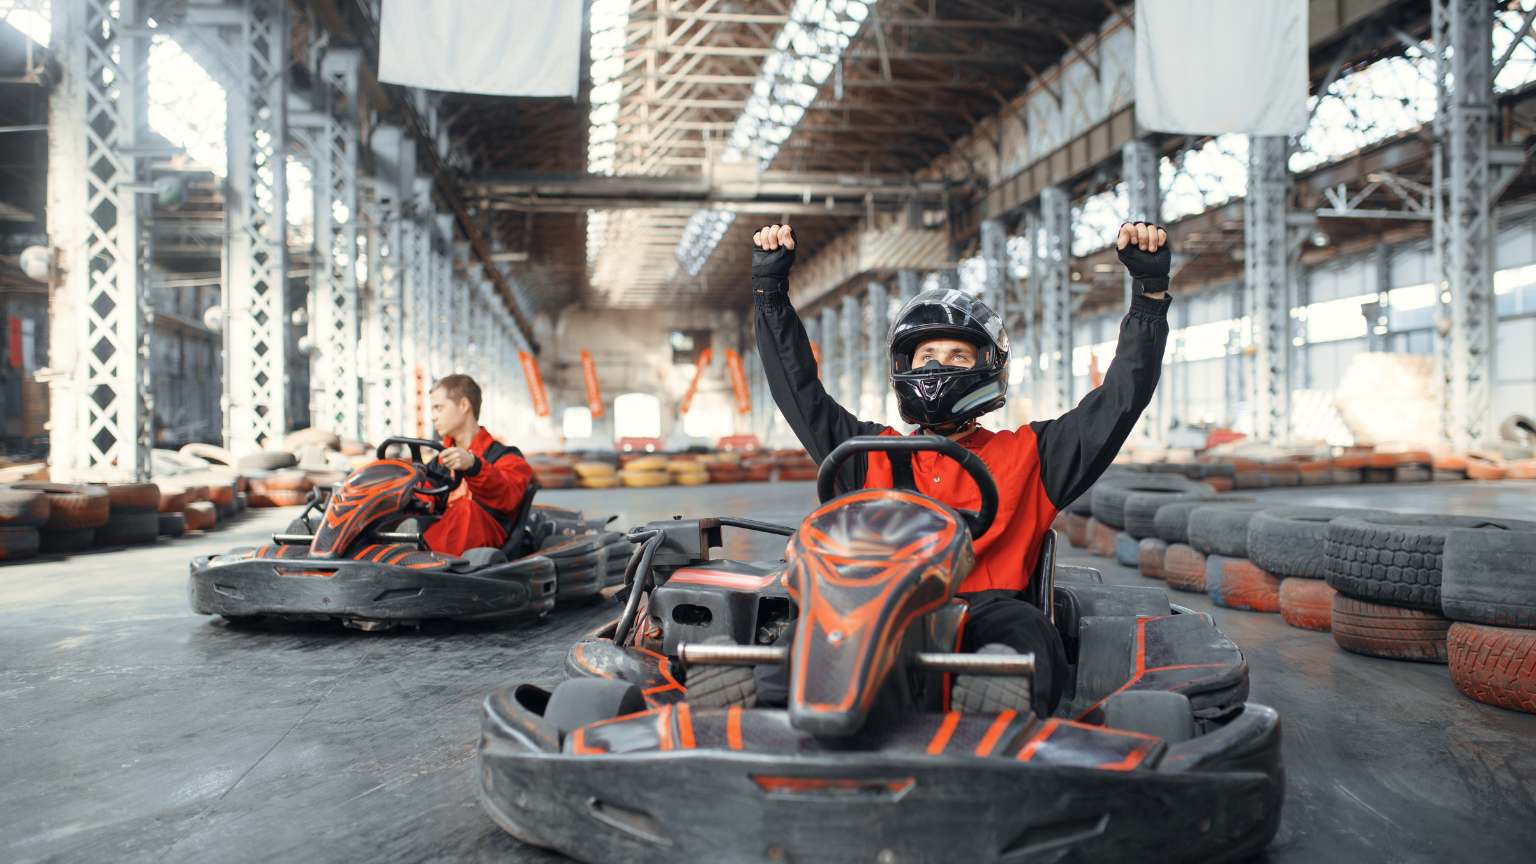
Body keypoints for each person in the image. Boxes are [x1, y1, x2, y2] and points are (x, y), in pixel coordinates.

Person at [749, 220, 1172, 716]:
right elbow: (797, 389)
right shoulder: (866, 452)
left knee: (1029, 634)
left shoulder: (1033, 453)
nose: (938, 366)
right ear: (906, 369)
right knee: (800, 635)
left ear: (986, 365)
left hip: (988, 609)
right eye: (927, 355)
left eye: (956, 355)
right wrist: (769, 292)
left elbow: (1121, 397)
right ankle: (782, 726)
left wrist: (1148, 296)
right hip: (876, 607)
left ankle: (997, 720)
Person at [418, 374, 536, 557]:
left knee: (466, 510)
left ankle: (418, 558)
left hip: (489, 538)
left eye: (438, 408)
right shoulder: (440, 461)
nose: (433, 417)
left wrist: (474, 466)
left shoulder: (508, 457)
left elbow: (507, 495)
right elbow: (426, 492)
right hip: (445, 535)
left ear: (464, 405)